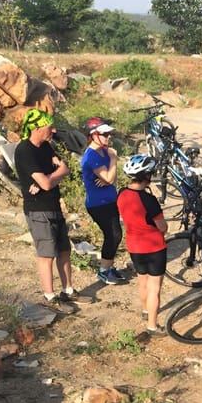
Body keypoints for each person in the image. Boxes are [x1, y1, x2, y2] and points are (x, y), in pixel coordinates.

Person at [14, 108, 86, 308]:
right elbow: (47, 181)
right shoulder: (24, 150)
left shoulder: (46, 147)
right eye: (49, 127)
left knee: (64, 250)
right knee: (46, 254)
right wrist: (52, 177)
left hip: (54, 204)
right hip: (38, 210)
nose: (53, 131)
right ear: (36, 128)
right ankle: (49, 295)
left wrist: (51, 178)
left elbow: (63, 168)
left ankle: (68, 290)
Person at [116, 154, 168, 336]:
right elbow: (163, 227)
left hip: (134, 246)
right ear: (147, 175)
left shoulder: (121, 193)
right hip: (154, 247)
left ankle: (146, 310)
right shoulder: (149, 200)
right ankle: (153, 326)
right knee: (155, 287)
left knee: (142, 280)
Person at [80, 117, 124, 285]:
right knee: (113, 235)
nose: (108, 137)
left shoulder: (104, 150)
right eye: (104, 134)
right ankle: (103, 271)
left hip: (109, 199)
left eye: (108, 134)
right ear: (94, 135)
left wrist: (109, 177)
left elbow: (113, 178)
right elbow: (109, 177)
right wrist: (113, 159)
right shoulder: (92, 156)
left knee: (115, 235)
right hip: (98, 204)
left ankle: (109, 266)